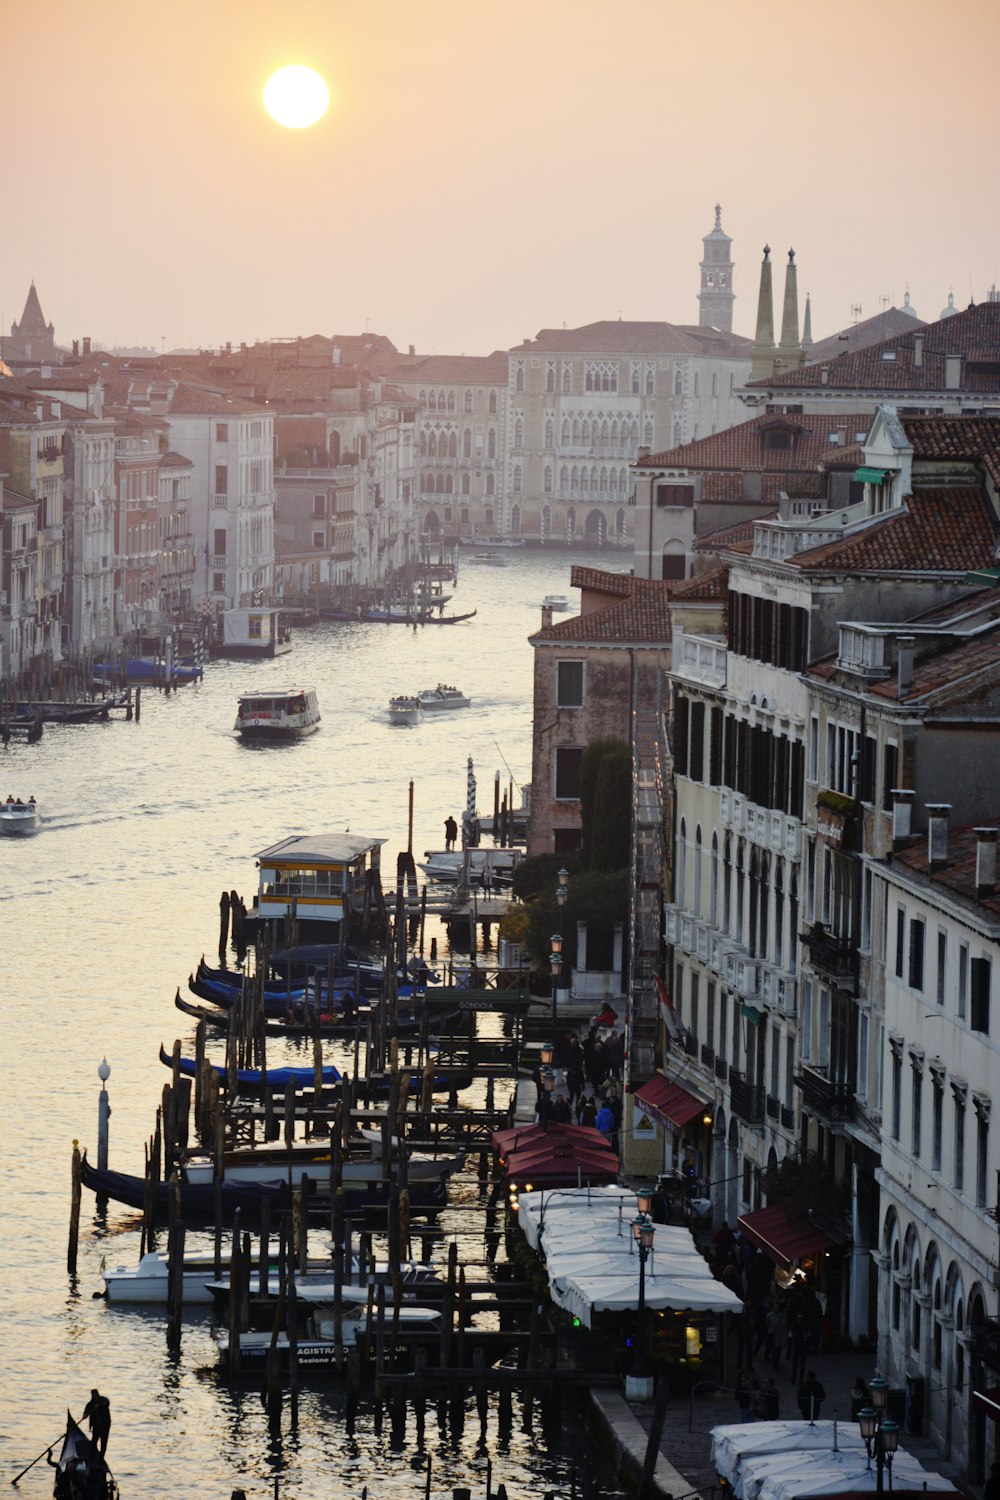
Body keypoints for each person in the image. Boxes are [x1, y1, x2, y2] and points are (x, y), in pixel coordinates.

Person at [82, 1388, 111, 1455]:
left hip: (105, 1425)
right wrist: (85, 1415)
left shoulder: (103, 1400)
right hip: (96, 1425)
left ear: (98, 1394)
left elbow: (107, 1402)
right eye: (93, 1395)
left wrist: (99, 1405)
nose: (94, 1396)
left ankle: (101, 1457)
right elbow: (86, 1412)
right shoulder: (90, 1404)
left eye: (95, 1395)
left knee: (103, 1442)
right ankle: (92, 1454)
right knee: (94, 1440)